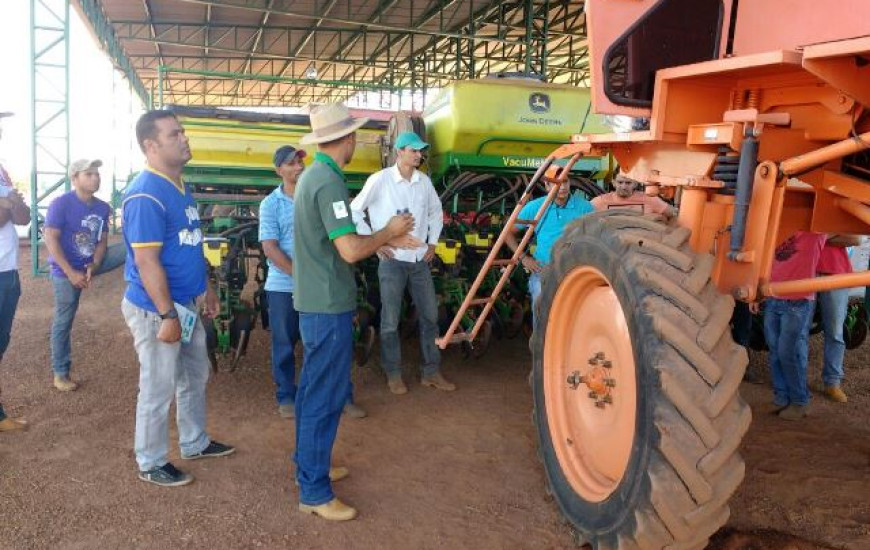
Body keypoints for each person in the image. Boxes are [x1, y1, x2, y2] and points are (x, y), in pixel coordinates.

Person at [293, 103, 417, 521]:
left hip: (318, 301)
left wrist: (375, 241)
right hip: (327, 305)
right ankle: (314, 491)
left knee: (315, 391)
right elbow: (348, 250)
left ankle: (311, 468)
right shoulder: (327, 181)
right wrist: (389, 233)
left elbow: (338, 241)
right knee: (324, 396)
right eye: (357, 135)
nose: (359, 141)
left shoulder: (315, 176)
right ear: (345, 139)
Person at [121, 110, 235, 487]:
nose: (184, 138)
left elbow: (189, 243)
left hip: (185, 303)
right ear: (151, 145)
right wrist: (168, 314)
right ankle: (151, 461)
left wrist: (206, 286)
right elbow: (146, 260)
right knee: (157, 385)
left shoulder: (180, 185)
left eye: (183, 132)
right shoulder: (145, 193)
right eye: (175, 134)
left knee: (194, 374)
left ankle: (194, 441)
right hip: (159, 310)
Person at [260, 145, 367, 420]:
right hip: (284, 285)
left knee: (328, 343)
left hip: (320, 285)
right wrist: (301, 275)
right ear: (278, 170)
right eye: (290, 163)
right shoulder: (270, 204)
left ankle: (342, 395)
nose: (297, 166)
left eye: (299, 161)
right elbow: (270, 248)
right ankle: (286, 395)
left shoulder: (315, 192)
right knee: (284, 342)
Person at [350, 131, 454, 395]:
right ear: (399, 152)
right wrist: (379, 243)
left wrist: (432, 243)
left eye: (420, 151)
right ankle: (393, 373)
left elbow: (435, 212)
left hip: (419, 261)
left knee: (430, 317)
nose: (419, 155)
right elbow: (355, 211)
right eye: (414, 150)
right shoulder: (380, 180)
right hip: (392, 261)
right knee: (390, 320)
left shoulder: (424, 182)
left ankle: (431, 372)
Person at [43, 159, 111, 392]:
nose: (95, 178)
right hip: (66, 270)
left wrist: (96, 263)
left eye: (97, 174)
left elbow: (102, 241)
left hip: (91, 262)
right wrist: (71, 273)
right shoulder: (61, 203)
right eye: (89, 174)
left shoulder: (103, 207)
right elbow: (50, 238)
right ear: (74, 179)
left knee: (134, 248)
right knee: (64, 319)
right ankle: (60, 373)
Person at [763, 231, 827, 421]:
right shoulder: (777, 225)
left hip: (797, 301)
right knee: (775, 350)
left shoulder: (815, 232)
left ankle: (799, 401)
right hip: (773, 296)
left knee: (786, 352)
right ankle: (782, 396)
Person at [505, 178, 594, 312]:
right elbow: (508, 232)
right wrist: (523, 258)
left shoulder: (585, 207)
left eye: (565, 182)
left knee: (577, 311)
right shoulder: (535, 207)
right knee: (542, 310)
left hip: (576, 270)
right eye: (556, 183)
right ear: (547, 186)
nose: (562, 187)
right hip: (543, 270)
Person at [0, 110, 31, 432]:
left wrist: (11, 205)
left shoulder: (2, 171)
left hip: (8, 270)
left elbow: (24, 217)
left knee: (1, 343)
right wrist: (7, 205)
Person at [814, 238, 861, 402]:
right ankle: (795, 382)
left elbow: (855, 238)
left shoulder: (837, 212)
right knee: (797, 330)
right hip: (803, 270)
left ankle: (832, 382)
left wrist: (818, 235)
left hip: (835, 272)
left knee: (835, 331)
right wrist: (832, 236)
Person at [591, 170, 677, 218]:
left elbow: (675, 214)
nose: (624, 187)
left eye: (628, 183)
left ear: (635, 183)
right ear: (613, 183)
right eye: (620, 182)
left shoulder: (650, 199)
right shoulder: (600, 202)